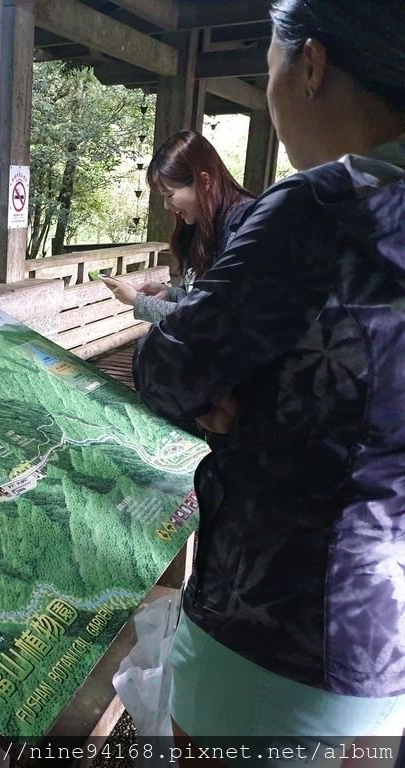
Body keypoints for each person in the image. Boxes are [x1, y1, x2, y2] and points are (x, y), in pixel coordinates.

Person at [133, 1, 405, 763]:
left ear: (311, 65)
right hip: (385, 622)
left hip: (271, 617)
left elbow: (168, 370)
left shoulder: (317, 208)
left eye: (271, 67)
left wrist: (236, 396)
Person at [100, 131, 254, 323]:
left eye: (169, 195)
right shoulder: (204, 224)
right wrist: (171, 294)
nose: (166, 206)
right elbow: (203, 301)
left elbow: (213, 321)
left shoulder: (245, 228)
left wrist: (138, 302)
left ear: (204, 181)